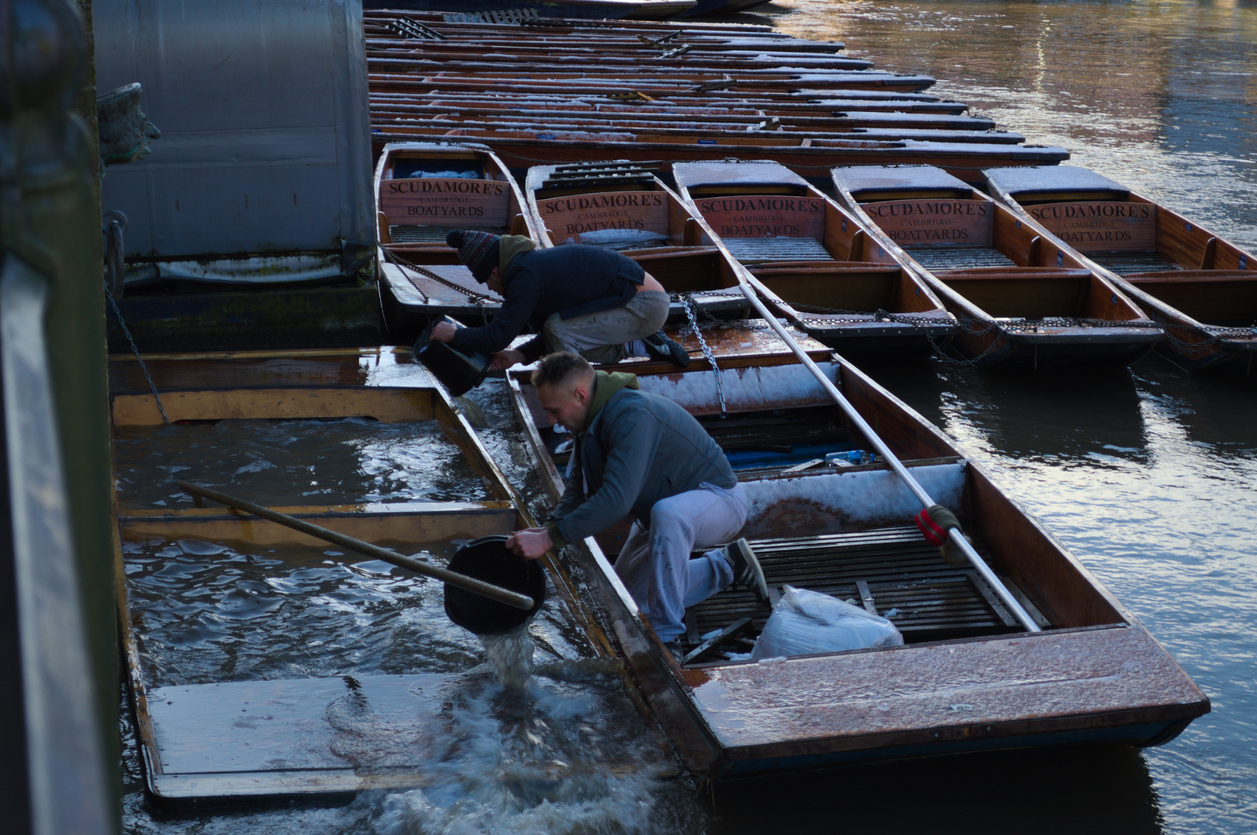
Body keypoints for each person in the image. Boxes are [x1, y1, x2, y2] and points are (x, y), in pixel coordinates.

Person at [505, 352, 770, 657]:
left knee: (668, 514)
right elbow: (578, 490)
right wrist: (549, 528)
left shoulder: (632, 414)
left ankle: (667, 637)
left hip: (719, 502)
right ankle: (726, 565)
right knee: (623, 603)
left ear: (579, 395)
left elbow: (616, 502)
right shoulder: (589, 421)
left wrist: (550, 539)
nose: (551, 421)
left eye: (553, 411)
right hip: (658, 517)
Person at [428, 229, 690, 370]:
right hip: (631, 303)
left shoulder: (525, 275)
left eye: (486, 281)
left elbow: (498, 336)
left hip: (644, 304)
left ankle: (570, 413)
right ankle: (638, 346)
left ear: (494, 271)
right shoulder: (527, 268)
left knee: (558, 328)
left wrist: (456, 334)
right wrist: (519, 355)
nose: (490, 288)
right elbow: (555, 332)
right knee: (557, 329)